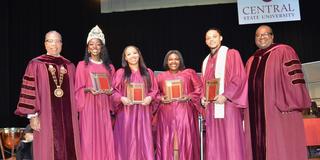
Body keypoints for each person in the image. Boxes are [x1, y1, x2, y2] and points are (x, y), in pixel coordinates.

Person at [244, 24, 312, 160]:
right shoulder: (251, 60)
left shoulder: (284, 51)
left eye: (265, 34)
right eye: (258, 35)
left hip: (278, 110)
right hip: (254, 115)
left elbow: (294, 79)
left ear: (272, 36)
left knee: (281, 146)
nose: (261, 37)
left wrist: (289, 102)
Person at [15, 31, 81, 160]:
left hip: (69, 119)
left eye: (57, 41)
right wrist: (32, 116)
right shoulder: (36, 64)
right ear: (45, 43)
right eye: (50, 41)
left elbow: (76, 93)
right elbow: (29, 90)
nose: (54, 44)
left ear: (61, 44)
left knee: (70, 147)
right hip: (45, 116)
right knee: (47, 149)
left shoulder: (69, 65)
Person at [201, 27, 248, 160]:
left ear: (221, 38)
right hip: (212, 108)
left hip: (228, 105)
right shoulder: (206, 61)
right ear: (205, 41)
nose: (211, 40)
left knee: (231, 140)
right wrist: (203, 98)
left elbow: (239, 77)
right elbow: (204, 84)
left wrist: (226, 95)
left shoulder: (231, 54)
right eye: (208, 38)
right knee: (214, 143)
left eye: (214, 36)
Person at [75, 25, 115, 160]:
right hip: (88, 106)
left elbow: (113, 88)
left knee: (104, 136)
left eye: (98, 45)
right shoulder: (82, 65)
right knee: (88, 137)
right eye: (91, 44)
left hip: (103, 106)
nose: (95, 47)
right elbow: (78, 89)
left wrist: (110, 92)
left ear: (102, 47)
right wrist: (88, 89)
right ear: (88, 47)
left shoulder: (109, 67)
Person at [111, 45, 158, 160]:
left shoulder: (148, 72)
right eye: (129, 54)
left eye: (134, 53)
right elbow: (113, 92)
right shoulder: (120, 73)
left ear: (139, 54)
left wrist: (150, 98)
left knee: (144, 141)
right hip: (126, 114)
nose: (132, 56)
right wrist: (121, 98)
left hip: (143, 113)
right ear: (125, 58)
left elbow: (154, 91)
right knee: (126, 142)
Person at [155, 50, 202, 160]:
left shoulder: (189, 73)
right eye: (170, 59)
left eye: (176, 59)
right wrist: (161, 98)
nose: (173, 62)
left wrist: (188, 96)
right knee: (169, 143)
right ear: (167, 61)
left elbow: (199, 89)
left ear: (180, 61)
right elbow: (154, 94)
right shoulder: (161, 77)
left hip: (184, 113)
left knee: (184, 142)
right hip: (166, 114)